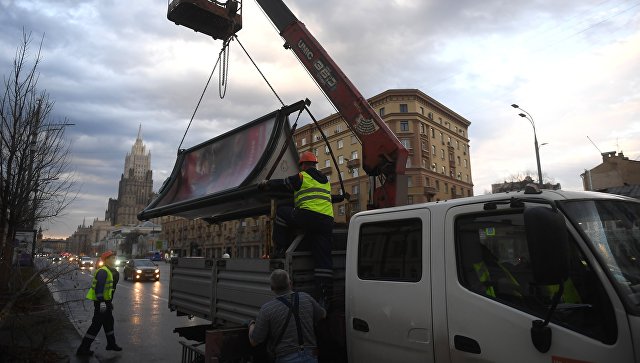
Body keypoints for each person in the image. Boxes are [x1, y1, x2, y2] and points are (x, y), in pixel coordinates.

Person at [258, 151, 348, 307]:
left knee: (281, 213)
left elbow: (284, 183)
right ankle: (325, 297)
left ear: (304, 165)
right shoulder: (324, 181)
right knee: (323, 260)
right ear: (315, 164)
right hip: (326, 222)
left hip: (308, 217)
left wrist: (266, 183)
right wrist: (341, 197)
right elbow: (329, 198)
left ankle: (279, 248)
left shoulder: (302, 176)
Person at [248, 269, 326, 363]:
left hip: (285, 358)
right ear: (290, 283)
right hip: (310, 356)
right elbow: (322, 315)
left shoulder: (267, 309)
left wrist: (251, 324)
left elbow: (254, 341)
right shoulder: (306, 298)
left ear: (272, 288)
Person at [76, 250, 122, 356]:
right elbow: (99, 289)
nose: (114, 260)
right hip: (101, 302)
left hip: (105, 302)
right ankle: (83, 348)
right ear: (106, 260)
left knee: (109, 322)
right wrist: (102, 303)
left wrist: (109, 302)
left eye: (115, 258)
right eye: (112, 258)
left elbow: (109, 290)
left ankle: (111, 344)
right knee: (96, 325)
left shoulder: (110, 271)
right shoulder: (103, 271)